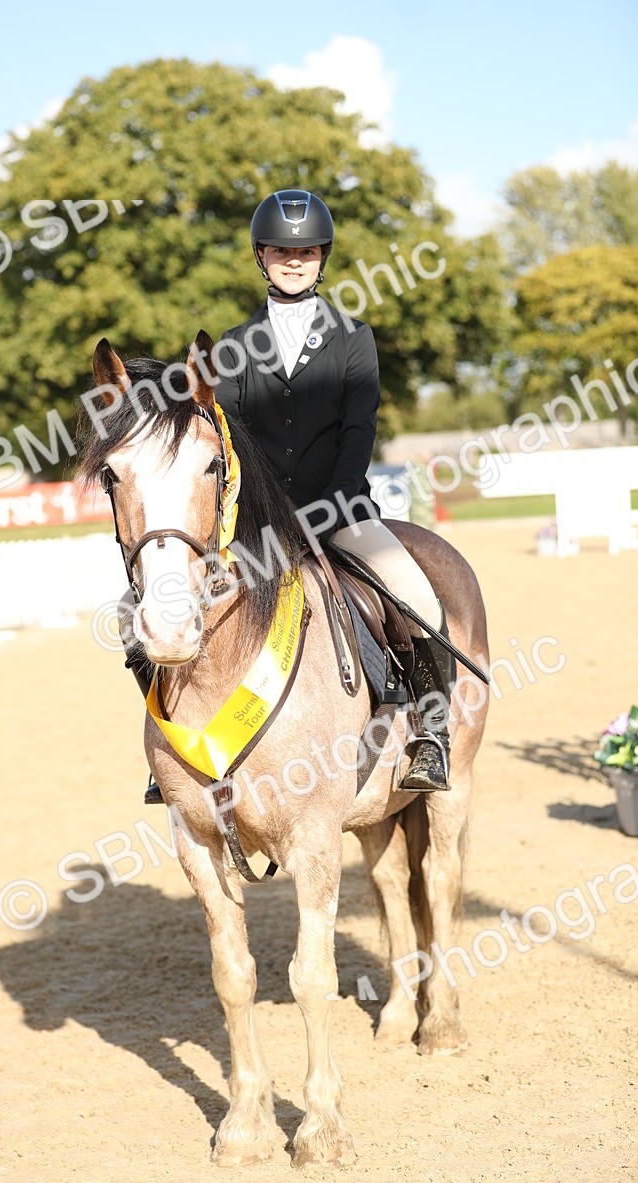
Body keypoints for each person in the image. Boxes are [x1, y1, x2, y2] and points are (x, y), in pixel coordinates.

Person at [214, 188, 455, 792]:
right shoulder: (232, 347)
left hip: (342, 511)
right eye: (281, 250)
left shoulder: (354, 338)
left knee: (416, 596)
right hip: (258, 523)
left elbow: (358, 431)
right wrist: (257, 513)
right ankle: (173, 753)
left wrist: (331, 504)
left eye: (306, 251)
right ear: (261, 256)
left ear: (322, 256)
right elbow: (230, 438)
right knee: (167, 605)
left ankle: (431, 734)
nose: (294, 260)